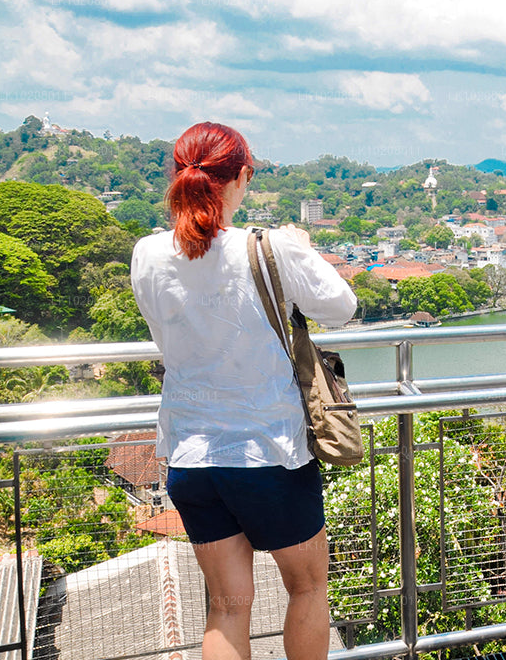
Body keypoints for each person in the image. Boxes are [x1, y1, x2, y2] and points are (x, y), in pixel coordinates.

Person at [130, 122, 357, 660]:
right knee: (307, 589)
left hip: (191, 455)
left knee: (227, 607)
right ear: (243, 177)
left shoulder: (147, 253)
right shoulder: (271, 247)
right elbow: (341, 309)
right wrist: (298, 247)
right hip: (269, 453)